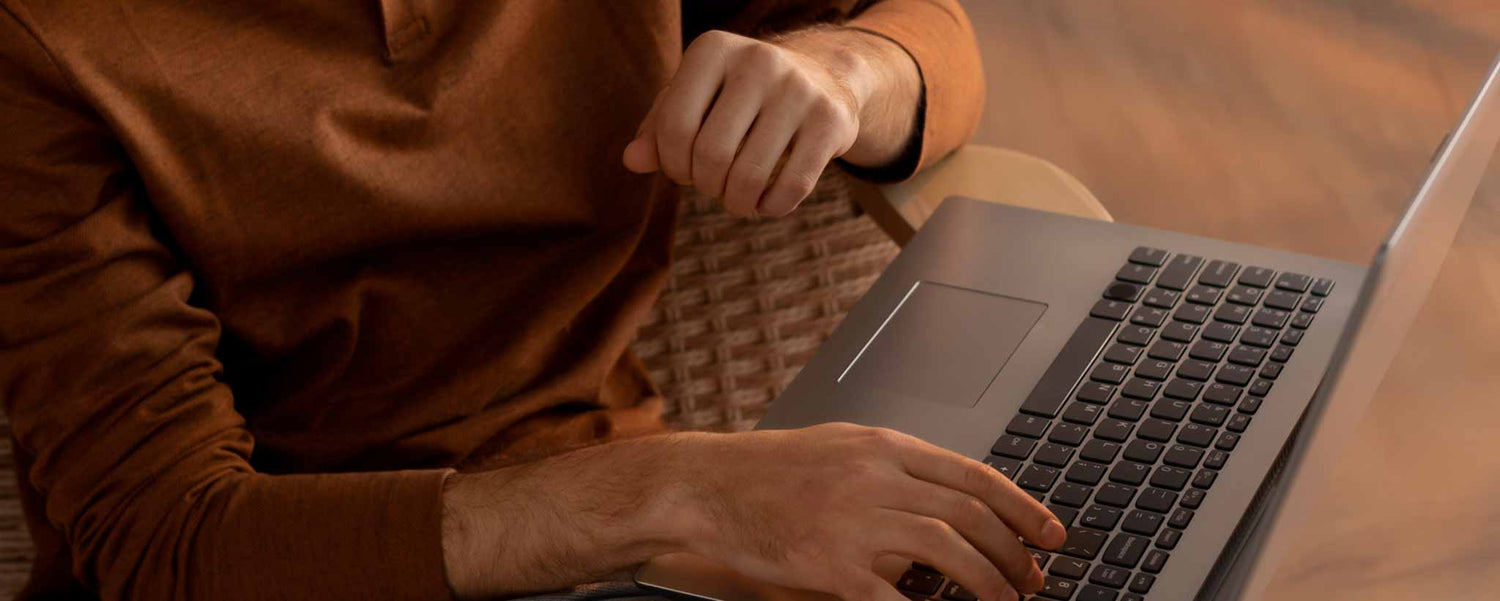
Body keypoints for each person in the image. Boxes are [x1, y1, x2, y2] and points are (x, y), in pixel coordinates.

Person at [0, 1, 1065, 600]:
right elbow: (166, 545)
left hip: (635, 537)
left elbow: (931, 44)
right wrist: (670, 493)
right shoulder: (38, 43)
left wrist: (844, 72)